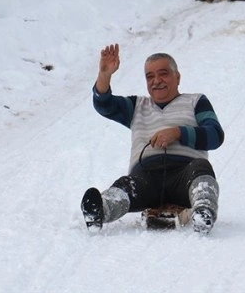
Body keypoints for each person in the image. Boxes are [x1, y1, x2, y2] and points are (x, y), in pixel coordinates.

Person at [81, 44, 225, 234]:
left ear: (177, 77)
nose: (156, 81)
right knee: (127, 185)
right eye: (150, 77)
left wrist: (178, 133)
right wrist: (105, 75)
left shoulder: (196, 101)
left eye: (163, 74)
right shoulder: (137, 106)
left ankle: (203, 211)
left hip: (185, 175)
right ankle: (100, 210)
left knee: (201, 167)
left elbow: (215, 135)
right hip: (146, 177)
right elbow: (104, 104)